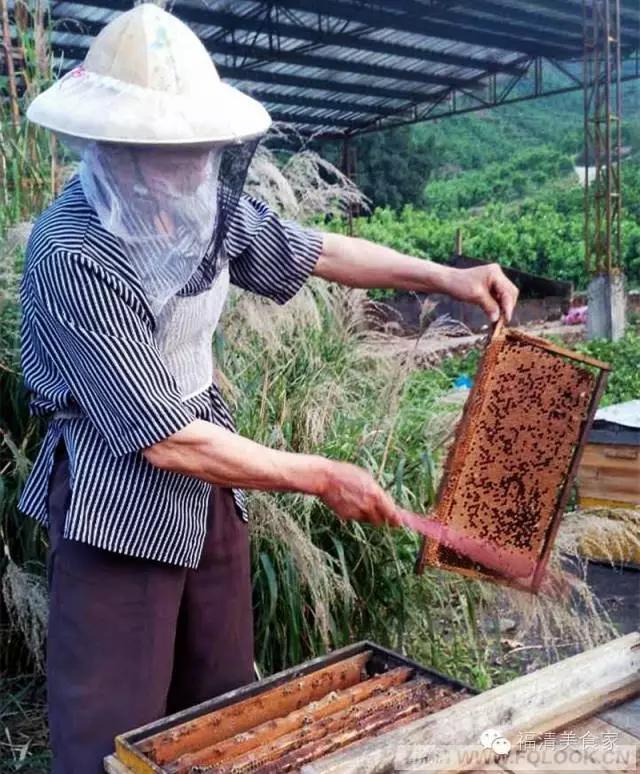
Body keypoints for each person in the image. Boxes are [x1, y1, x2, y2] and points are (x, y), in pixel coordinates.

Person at [21, 4, 518, 771]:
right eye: (164, 152)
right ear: (114, 147)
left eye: (195, 150)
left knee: (224, 710)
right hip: (110, 500)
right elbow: (162, 438)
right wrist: (321, 475)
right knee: (110, 731)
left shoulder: (201, 207)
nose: (186, 168)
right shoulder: (71, 249)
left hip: (212, 490)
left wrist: (444, 275)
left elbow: (318, 250)